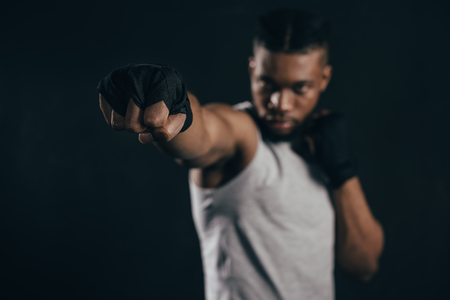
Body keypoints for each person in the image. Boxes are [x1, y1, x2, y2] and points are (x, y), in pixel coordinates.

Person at [97, 9, 384, 300]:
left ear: (323, 79)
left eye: (300, 88)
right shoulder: (243, 135)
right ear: (252, 70)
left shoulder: (322, 148)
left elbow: (363, 266)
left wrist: (342, 171)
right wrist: (175, 101)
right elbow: (206, 133)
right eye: (267, 82)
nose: (280, 103)